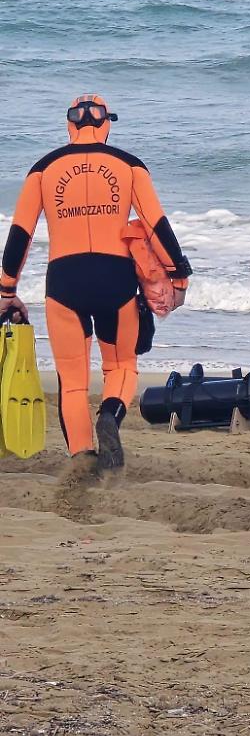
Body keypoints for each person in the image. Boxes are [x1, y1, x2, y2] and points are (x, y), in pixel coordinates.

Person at [0, 95, 191, 470]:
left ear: (69, 124)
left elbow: (20, 234)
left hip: (63, 282)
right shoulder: (129, 165)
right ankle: (110, 415)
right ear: (107, 124)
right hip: (115, 279)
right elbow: (156, 225)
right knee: (121, 365)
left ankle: (82, 461)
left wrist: (7, 290)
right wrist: (178, 275)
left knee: (72, 381)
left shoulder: (43, 169)